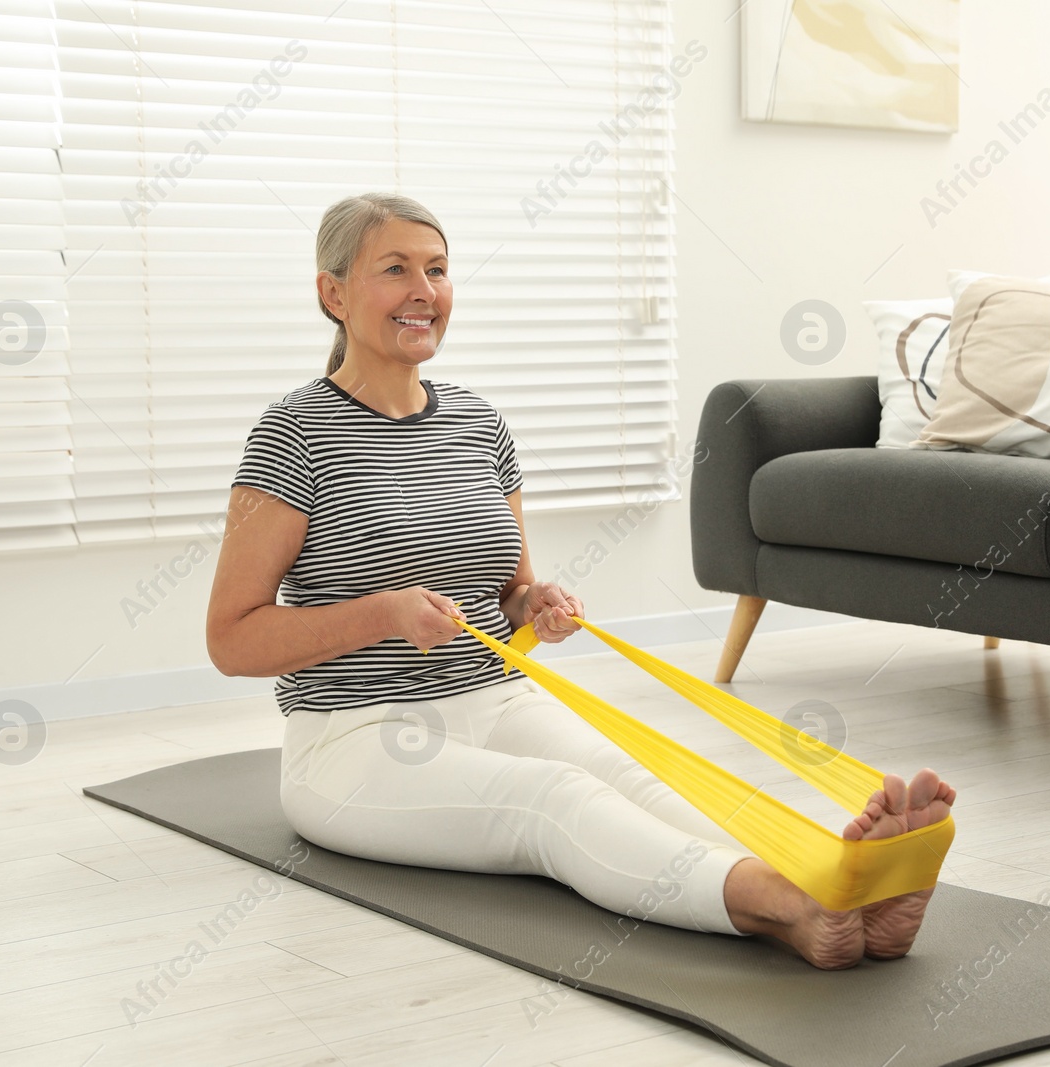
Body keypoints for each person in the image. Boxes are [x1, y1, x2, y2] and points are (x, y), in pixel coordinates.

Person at [205, 191, 956, 969]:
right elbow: (231, 638)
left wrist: (538, 603)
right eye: (395, 269)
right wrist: (380, 615)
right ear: (332, 293)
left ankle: (841, 885)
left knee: (635, 777)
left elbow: (510, 593)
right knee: (554, 804)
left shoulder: (478, 424)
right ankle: (793, 906)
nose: (425, 290)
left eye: (438, 269)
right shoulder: (293, 433)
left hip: (493, 696)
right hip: (352, 735)